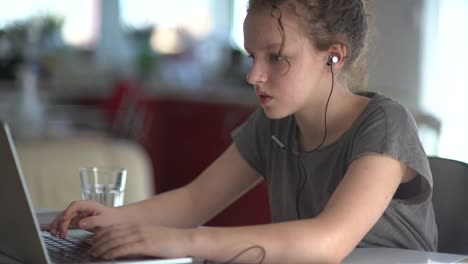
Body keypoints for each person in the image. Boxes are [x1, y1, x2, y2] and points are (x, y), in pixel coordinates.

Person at [49, 0, 438, 263]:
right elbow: (192, 201)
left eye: (277, 58)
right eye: (252, 56)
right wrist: (109, 219)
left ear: (333, 56)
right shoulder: (274, 125)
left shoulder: (385, 124)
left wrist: (186, 241)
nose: (254, 76)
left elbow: (328, 242)